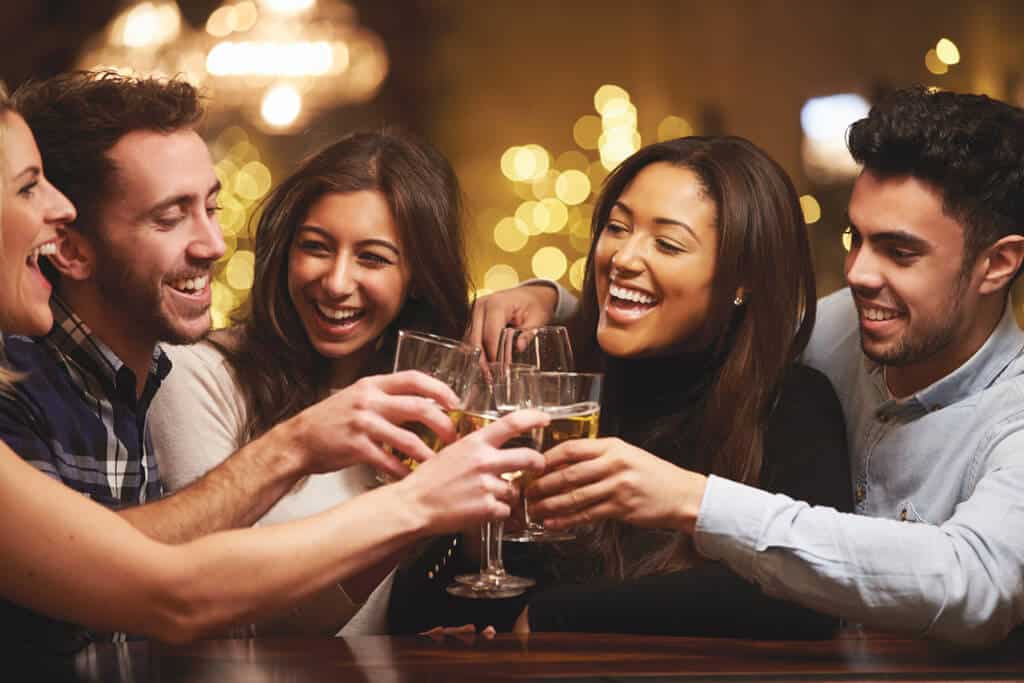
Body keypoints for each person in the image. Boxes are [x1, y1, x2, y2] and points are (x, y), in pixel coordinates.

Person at [0, 80, 547, 653]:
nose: (214, 244)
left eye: (210, 207)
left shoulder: (133, 377)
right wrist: (332, 461)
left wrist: (547, 295)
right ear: (75, 251)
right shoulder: (30, 386)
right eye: (170, 217)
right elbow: (171, 590)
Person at [488, 87, 1024, 647]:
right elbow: (722, 315)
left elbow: (975, 582)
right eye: (854, 238)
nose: (860, 275)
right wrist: (549, 301)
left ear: (998, 263)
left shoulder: (1012, 416)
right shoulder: (849, 325)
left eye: (900, 252)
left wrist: (694, 500)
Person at [389, 136, 852, 638]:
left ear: (743, 279)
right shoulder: (556, 393)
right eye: (616, 227)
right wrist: (472, 536)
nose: (622, 258)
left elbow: (810, 597)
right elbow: (422, 613)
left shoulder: (790, 404)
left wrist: (556, 618)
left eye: (667, 243)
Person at [148, 128, 474, 635]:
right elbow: (227, 626)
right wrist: (402, 518)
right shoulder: (200, 372)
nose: (337, 282)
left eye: (373, 258)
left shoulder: (431, 399)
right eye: (316, 247)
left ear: (417, 276)